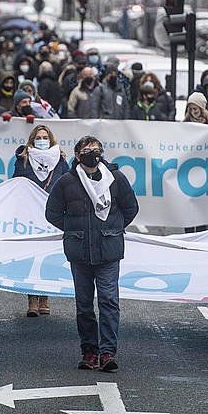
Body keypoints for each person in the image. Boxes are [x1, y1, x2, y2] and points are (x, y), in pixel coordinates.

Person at [45, 136, 139, 372]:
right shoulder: (67, 182)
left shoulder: (116, 178)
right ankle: (89, 351)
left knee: (108, 301)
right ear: (77, 155)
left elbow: (131, 208)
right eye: (87, 150)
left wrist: (113, 229)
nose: (92, 153)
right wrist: (74, 230)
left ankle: (107, 352)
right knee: (84, 304)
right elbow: (52, 213)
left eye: (96, 150)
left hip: (109, 251)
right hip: (79, 252)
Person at [12, 125, 69, 317]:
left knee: (48, 255)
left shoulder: (60, 159)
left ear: (51, 140)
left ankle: (44, 296)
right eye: (38, 137)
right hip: (30, 215)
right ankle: (32, 299)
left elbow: (69, 181)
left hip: (53, 215)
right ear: (32, 140)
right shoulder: (24, 159)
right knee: (31, 256)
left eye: (45, 137)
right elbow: (16, 182)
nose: (42, 140)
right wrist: (20, 158)